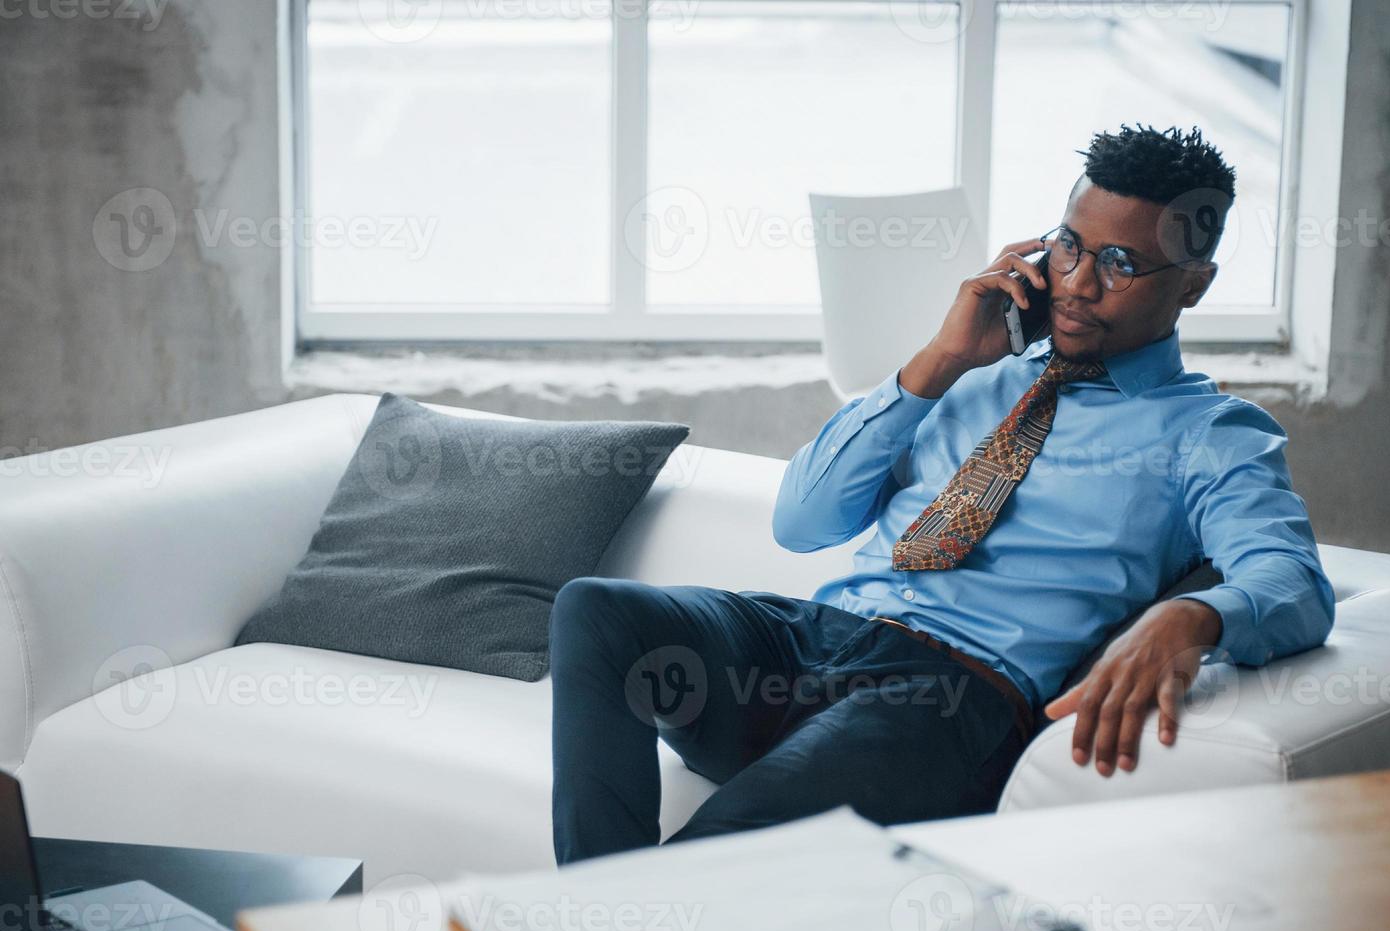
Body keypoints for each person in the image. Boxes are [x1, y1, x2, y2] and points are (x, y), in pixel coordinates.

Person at [548, 124, 1335, 865]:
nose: (1078, 284)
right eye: (1068, 246)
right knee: (599, 607)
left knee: (720, 857)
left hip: (951, 698)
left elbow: (1291, 581)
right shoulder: (967, 373)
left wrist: (1191, 616)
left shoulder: (1211, 432)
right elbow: (801, 522)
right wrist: (939, 359)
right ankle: (599, 903)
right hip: (810, 642)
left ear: (1194, 285)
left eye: (1120, 265)